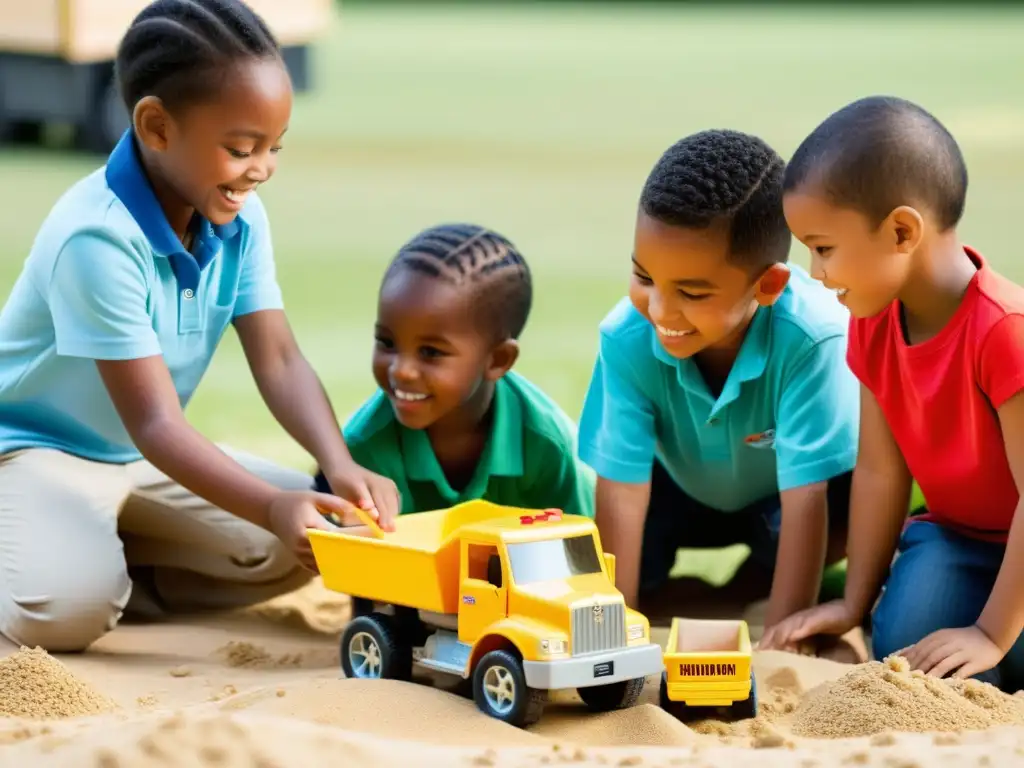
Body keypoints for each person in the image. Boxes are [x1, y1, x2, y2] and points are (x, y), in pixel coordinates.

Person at [0, 0, 399, 653]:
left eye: (273, 147)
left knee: (313, 539)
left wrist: (337, 462)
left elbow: (279, 360)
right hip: (34, 450)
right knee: (62, 614)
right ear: (156, 126)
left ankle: (96, 567)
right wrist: (268, 505)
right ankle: (59, 569)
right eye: (241, 149)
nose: (261, 169)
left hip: (136, 457)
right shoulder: (97, 237)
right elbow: (156, 423)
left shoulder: (237, 217)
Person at [761, 96, 1024, 692]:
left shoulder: (1004, 330)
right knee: (903, 642)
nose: (815, 271)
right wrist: (854, 603)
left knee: (985, 645)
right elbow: (880, 473)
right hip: (956, 537)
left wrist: (989, 633)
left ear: (902, 231)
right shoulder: (871, 322)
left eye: (823, 248)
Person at [576, 129, 859, 635]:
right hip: (679, 493)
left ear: (768, 285)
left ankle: (758, 588)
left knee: (845, 502)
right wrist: (614, 629)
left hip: (783, 499)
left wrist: (782, 634)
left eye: (691, 291)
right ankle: (696, 592)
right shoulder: (625, 337)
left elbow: (806, 496)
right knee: (615, 556)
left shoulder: (814, 338)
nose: (660, 311)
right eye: (644, 277)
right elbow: (620, 491)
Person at [313, 223, 594, 521]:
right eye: (387, 342)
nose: (402, 370)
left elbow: (583, 554)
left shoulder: (548, 445)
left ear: (498, 360)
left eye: (431, 352)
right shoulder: (364, 445)